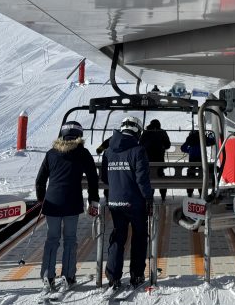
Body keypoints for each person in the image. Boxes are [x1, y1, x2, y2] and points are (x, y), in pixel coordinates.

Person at [35, 121, 99, 295]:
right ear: (79, 135)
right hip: (72, 202)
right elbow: (93, 178)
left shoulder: (51, 154)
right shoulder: (82, 153)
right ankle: (68, 275)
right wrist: (93, 200)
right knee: (70, 239)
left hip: (52, 202)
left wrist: (41, 199)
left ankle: (48, 276)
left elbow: (40, 180)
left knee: (52, 239)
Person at [100, 116, 153, 290]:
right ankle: (136, 275)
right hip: (135, 203)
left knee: (118, 237)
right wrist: (148, 198)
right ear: (138, 131)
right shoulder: (138, 151)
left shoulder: (108, 151)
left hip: (115, 202)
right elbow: (142, 180)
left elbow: (104, 177)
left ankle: (113, 276)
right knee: (138, 237)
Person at [140, 119, 171, 201]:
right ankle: (163, 196)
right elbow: (168, 145)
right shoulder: (162, 132)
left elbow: (140, 145)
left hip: (147, 161)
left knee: (149, 178)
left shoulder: (146, 132)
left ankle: (150, 196)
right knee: (161, 177)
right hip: (159, 160)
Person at [180, 129, 216, 198]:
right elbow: (212, 142)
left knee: (190, 175)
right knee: (202, 175)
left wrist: (189, 150)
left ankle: (190, 192)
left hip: (192, 158)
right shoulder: (202, 137)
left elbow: (183, 148)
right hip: (201, 158)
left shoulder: (190, 138)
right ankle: (201, 192)